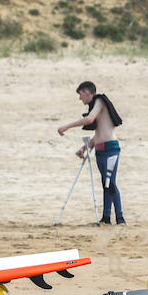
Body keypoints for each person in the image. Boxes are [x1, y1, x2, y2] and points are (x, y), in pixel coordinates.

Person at [57, 80, 124, 224]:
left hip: (111, 148)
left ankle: (120, 218)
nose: (80, 99)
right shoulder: (94, 106)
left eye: (80, 95)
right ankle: (106, 218)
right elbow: (99, 133)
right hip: (100, 150)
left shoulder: (99, 100)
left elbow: (89, 119)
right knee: (105, 183)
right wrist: (85, 148)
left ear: (87, 92)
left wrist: (66, 127)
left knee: (110, 183)